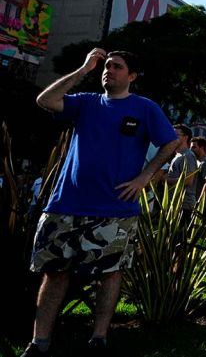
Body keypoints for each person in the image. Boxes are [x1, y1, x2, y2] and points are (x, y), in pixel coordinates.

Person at [25, 48, 178, 357]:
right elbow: (45, 101)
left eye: (117, 67)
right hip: (66, 204)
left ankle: (99, 338)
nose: (109, 70)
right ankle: (39, 342)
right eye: (107, 66)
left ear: (131, 76)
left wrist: (145, 177)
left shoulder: (145, 108)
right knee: (54, 273)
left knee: (110, 274)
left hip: (115, 210)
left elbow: (171, 142)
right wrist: (84, 69)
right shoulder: (86, 102)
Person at [167, 124, 199, 221]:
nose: (172, 137)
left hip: (183, 205)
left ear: (185, 137)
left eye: (176, 134)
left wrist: (165, 179)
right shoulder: (177, 155)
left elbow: (188, 181)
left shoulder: (188, 156)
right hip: (174, 203)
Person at [190, 137, 206, 216]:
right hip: (196, 203)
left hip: (204, 205)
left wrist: (199, 202)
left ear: (201, 147)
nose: (191, 150)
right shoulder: (197, 161)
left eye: (194, 147)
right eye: (190, 147)